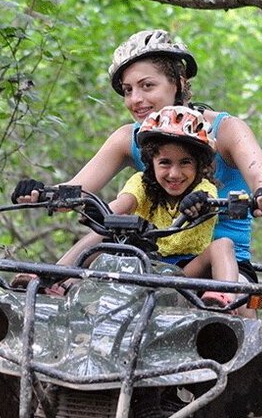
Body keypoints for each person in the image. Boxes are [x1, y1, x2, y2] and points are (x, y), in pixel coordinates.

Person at [11, 29, 262, 283]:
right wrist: (39, 193)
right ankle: (52, 279)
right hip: (152, 264)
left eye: (147, 86)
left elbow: (260, 176)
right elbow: (75, 192)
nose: (135, 100)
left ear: (178, 83)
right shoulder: (128, 137)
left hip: (221, 267)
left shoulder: (226, 130)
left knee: (229, 308)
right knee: (110, 225)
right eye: (128, 90)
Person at [56, 106, 239, 305]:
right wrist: (101, 213)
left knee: (223, 244)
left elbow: (206, 203)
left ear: (199, 164)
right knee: (103, 236)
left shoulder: (203, 188)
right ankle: (55, 279)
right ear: (151, 162)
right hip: (144, 263)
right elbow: (122, 204)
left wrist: (197, 205)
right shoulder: (142, 183)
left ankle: (224, 299)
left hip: (186, 273)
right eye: (165, 163)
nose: (175, 174)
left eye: (185, 162)